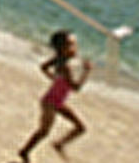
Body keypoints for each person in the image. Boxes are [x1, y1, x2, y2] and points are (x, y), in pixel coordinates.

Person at [18, 30, 92, 161]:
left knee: (80, 127)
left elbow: (43, 67)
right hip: (50, 102)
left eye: (75, 44)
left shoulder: (60, 60)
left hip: (58, 101)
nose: (75, 48)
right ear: (62, 48)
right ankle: (24, 151)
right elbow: (75, 87)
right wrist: (86, 72)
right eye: (71, 45)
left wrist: (54, 79)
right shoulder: (66, 66)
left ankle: (59, 144)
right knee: (44, 131)